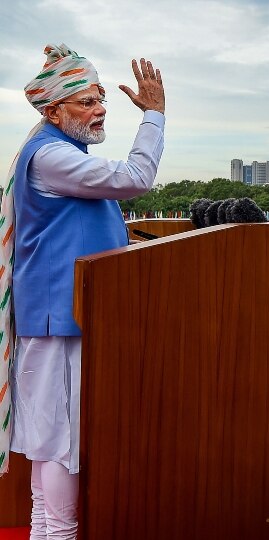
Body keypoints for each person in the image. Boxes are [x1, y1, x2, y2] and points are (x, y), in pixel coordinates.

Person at [0, 44, 165, 540]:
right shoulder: (51, 156)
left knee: (51, 442)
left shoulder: (59, 152)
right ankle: (60, 534)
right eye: (87, 102)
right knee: (59, 443)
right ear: (53, 110)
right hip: (60, 319)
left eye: (100, 100)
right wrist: (154, 115)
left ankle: (47, 533)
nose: (100, 110)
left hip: (64, 316)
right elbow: (135, 177)